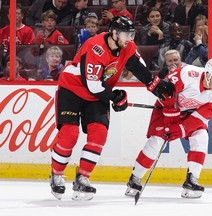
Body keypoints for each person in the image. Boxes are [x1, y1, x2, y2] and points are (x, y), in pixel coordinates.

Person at [49, 16, 175, 201]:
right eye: (126, 34)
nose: (130, 38)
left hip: (98, 93)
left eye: (132, 34)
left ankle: (82, 178)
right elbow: (92, 85)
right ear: (114, 33)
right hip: (72, 89)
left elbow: (138, 68)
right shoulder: (95, 46)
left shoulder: (127, 46)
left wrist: (156, 85)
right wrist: (116, 97)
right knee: (70, 134)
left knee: (99, 133)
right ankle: (56, 174)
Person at [125, 58, 212, 199]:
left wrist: (181, 128)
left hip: (188, 113)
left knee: (201, 136)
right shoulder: (188, 74)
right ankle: (135, 178)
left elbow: (201, 116)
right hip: (165, 107)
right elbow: (165, 90)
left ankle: (192, 180)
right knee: (157, 142)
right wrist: (171, 118)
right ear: (208, 74)